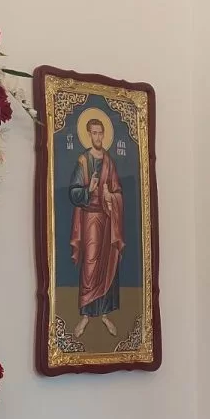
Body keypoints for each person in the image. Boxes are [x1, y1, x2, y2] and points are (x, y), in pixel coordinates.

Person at [68, 117, 124, 338]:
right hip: (90, 219)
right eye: (94, 133)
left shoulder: (110, 162)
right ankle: (85, 314)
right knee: (90, 264)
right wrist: (88, 190)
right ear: (89, 134)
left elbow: (118, 191)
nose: (98, 137)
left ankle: (104, 314)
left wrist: (111, 196)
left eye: (101, 133)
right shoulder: (83, 161)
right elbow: (73, 193)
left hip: (108, 218)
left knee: (108, 263)